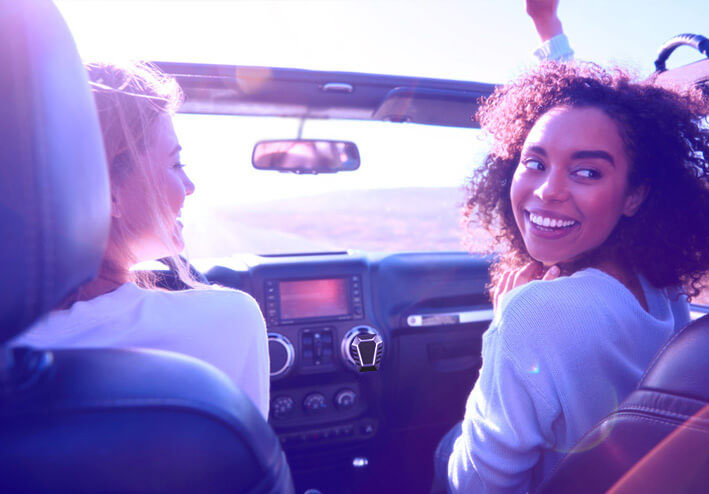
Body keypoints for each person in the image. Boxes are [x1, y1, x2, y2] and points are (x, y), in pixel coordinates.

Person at [440, 57, 709, 491]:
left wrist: (502, 323)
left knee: (443, 449)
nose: (548, 191)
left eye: (587, 172)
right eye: (535, 162)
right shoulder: (660, 284)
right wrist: (550, 30)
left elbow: (477, 484)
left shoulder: (535, 310)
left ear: (634, 197)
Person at [11, 62, 271, 419]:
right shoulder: (230, 321)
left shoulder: (16, 354)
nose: (190, 186)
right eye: (176, 164)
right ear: (107, 194)